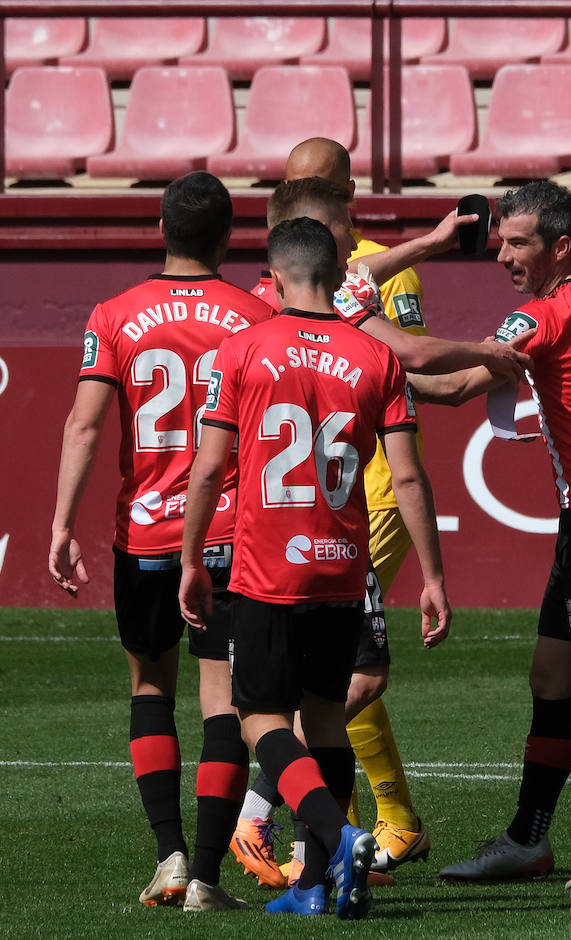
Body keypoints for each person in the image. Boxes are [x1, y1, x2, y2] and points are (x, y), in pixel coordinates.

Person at [231, 169, 530, 888]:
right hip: (346, 511)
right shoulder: (319, 311)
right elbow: (415, 359)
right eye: (346, 227)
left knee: (339, 689)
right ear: (313, 232)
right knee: (346, 684)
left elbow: (381, 307)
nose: (358, 247)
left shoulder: (291, 297)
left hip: (298, 523)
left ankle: (337, 852)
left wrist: (429, 242)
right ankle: (267, 813)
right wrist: (493, 353)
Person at [178, 217, 452, 918]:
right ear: (338, 275)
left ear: (271, 278)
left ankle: (339, 835)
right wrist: (432, 578)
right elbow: (411, 479)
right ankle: (314, 884)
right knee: (327, 717)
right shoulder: (374, 357)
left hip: (268, 570)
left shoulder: (239, 351)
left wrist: (190, 560)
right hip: (343, 571)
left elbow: (210, 469)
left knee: (259, 717)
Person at [409, 180, 571, 887]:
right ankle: (528, 840)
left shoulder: (542, 317)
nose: (500, 254)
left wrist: (345, 340)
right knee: (553, 674)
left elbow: (444, 386)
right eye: (500, 238)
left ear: (561, 245)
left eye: (517, 241)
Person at [48, 171, 273, 912]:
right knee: (223, 703)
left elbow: (84, 424)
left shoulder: (115, 314)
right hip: (226, 533)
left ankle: (170, 857)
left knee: (150, 688)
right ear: (227, 238)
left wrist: (61, 523)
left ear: (162, 230)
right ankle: (208, 877)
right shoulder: (250, 315)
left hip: (143, 533)